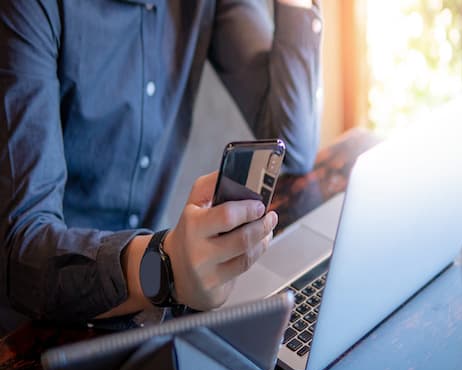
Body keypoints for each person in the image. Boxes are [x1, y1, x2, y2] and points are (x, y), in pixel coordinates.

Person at [0, 0, 322, 334]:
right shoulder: (30, 8)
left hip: (148, 312)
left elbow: (292, 144)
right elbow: (22, 255)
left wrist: (169, 270)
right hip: (33, 332)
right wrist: (164, 267)